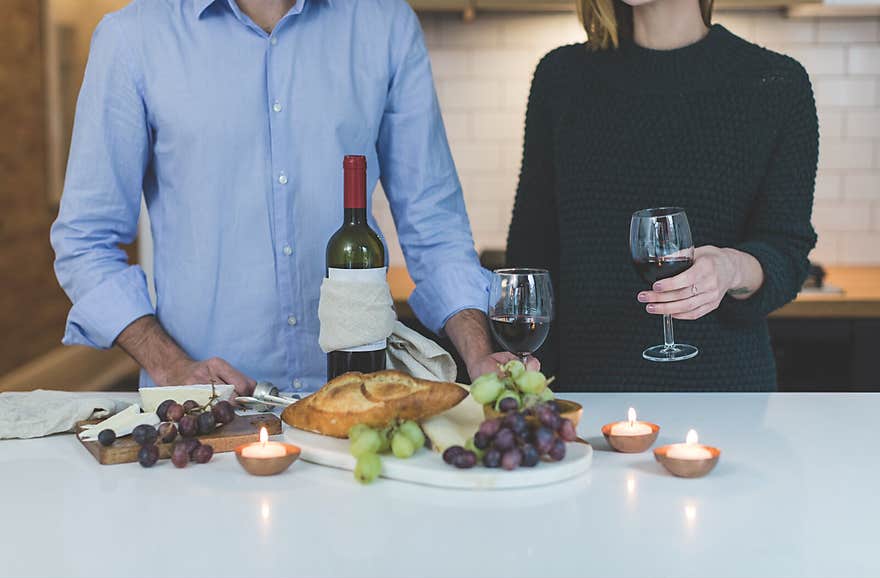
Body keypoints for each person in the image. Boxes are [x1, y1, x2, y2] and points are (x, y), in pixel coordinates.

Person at [51, 0, 533, 397]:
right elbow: (85, 242)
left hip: (355, 405)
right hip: (206, 415)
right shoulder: (133, 39)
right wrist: (171, 366)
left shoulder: (385, 26)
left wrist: (477, 351)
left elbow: (435, 226)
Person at [507, 0, 818, 391]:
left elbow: (787, 252)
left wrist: (729, 268)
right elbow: (531, 251)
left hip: (725, 397)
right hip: (583, 396)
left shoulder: (776, 84)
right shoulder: (560, 78)